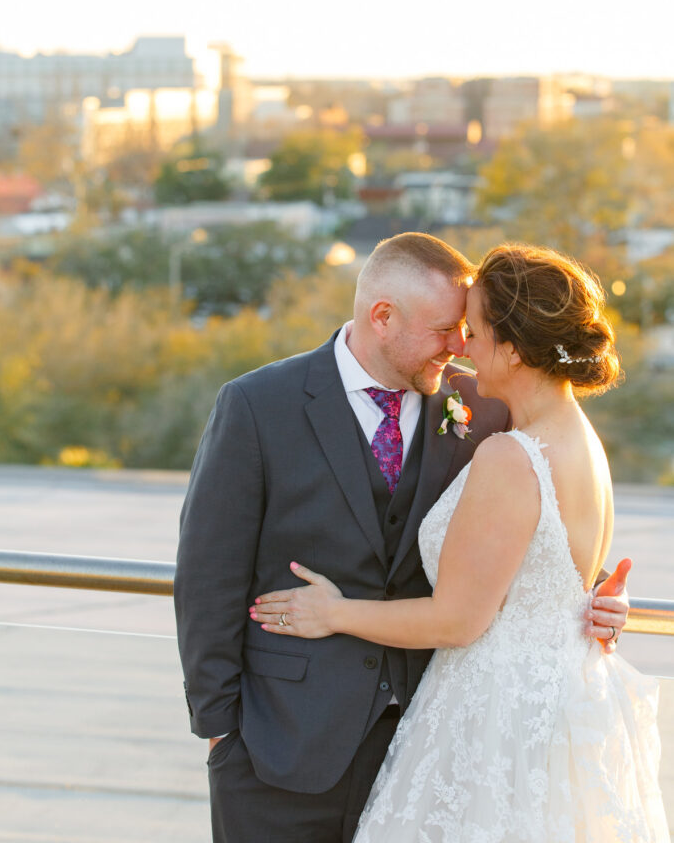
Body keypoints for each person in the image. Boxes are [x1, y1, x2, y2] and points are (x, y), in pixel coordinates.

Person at [174, 233, 629, 843]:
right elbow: (208, 572)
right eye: (445, 329)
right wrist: (220, 726)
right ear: (382, 316)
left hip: (430, 745)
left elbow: (537, 527)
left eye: (467, 329)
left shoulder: (486, 411)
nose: (460, 346)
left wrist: (591, 597)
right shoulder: (258, 406)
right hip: (280, 745)